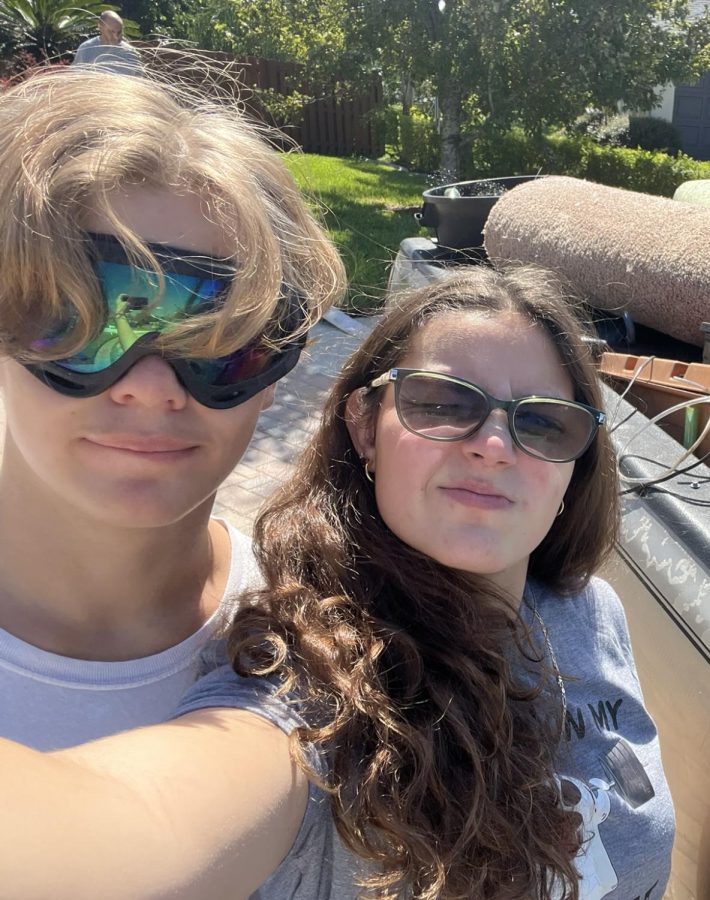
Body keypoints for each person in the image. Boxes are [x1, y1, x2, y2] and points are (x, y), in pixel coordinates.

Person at [209, 267, 676, 899]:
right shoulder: (302, 685)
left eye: (543, 423)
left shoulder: (590, 612)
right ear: (364, 427)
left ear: (577, 464)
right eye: (441, 402)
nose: (493, 445)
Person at [0, 66, 347, 897]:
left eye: (222, 337)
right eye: (81, 318)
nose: (150, 386)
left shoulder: (337, 639)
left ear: (276, 371)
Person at [72, 10, 143, 76]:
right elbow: (75, 77)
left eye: (119, 32)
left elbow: (139, 81)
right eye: (111, 32)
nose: (116, 37)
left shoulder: (131, 53)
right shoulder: (86, 49)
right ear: (100, 27)